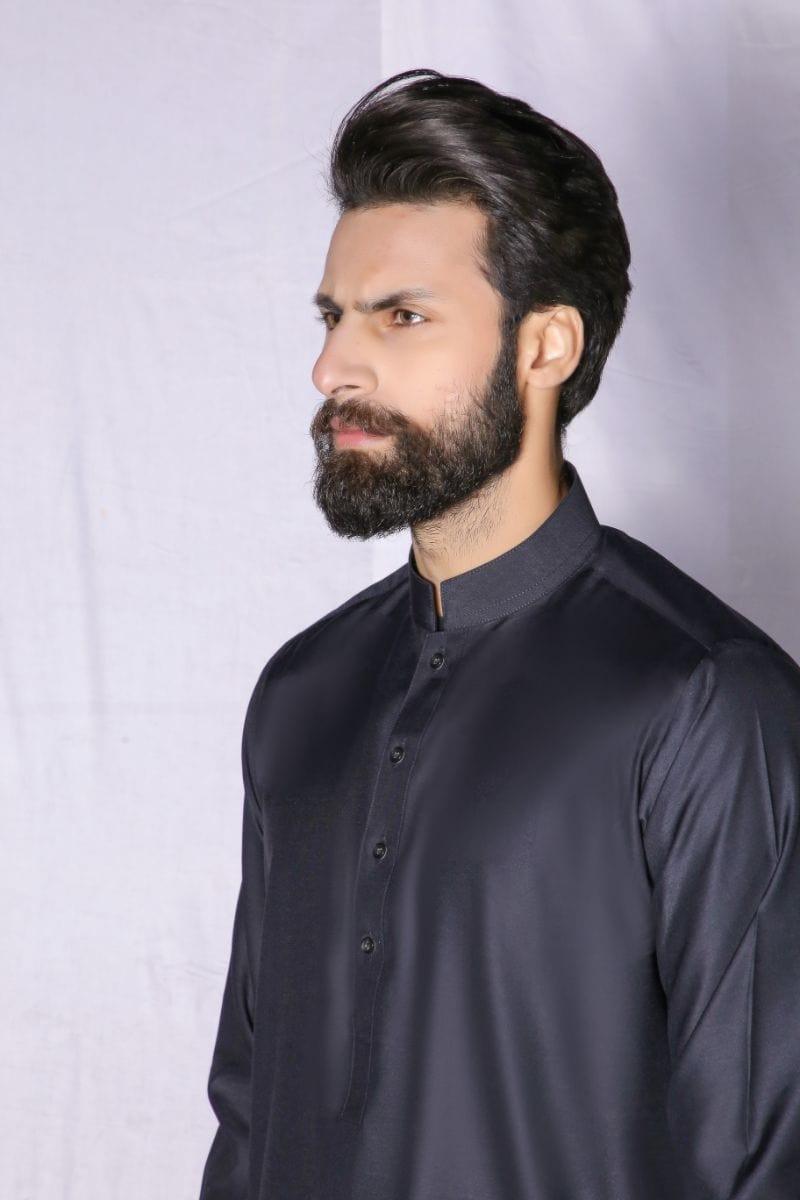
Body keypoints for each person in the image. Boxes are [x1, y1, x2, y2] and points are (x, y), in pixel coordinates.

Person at [198, 68, 800, 1200]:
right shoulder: (301, 694)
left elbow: (763, 1163)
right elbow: (245, 1122)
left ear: (545, 346)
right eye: (334, 318)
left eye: (402, 316)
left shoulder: (704, 701)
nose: (332, 369)